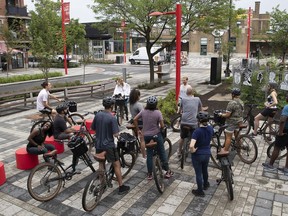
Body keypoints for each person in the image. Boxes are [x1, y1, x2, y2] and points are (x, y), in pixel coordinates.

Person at [91, 97, 130, 195]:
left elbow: (93, 128)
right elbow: (116, 134)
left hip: (98, 144)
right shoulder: (112, 117)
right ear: (112, 106)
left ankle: (102, 183)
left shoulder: (98, 114)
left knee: (101, 164)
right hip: (108, 145)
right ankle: (121, 186)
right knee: (116, 164)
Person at [133, 96, 174, 180]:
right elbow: (162, 126)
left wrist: (138, 130)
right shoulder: (158, 113)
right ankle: (167, 171)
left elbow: (135, 119)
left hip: (146, 136)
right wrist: (161, 127)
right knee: (162, 152)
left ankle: (149, 174)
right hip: (156, 135)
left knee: (149, 155)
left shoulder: (143, 111)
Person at [190, 111, 214, 196]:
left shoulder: (197, 131)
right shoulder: (211, 128)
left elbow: (191, 145)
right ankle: (206, 184)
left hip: (198, 155)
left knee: (198, 173)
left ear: (199, 121)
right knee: (205, 170)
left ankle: (200, 191)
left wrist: (193, 151)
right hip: (207, 153)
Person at [262, 94, 288, 172]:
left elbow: (282, 120)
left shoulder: (287, 107)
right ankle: (286, 168)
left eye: (287, 96)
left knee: (277, 148)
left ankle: (270, 164)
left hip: (285, 131)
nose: (286, 97)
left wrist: (280, 132)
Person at [177, 86, 204, 157]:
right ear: (192, 93)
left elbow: (180, 110)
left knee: (182, 137)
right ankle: (193, 151)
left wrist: (180, 112)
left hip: (184, 122)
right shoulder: (197, 99)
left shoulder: (183, 99)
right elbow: (201, 109)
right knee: (194, 138)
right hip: (193, 122)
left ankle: (179, 151)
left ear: (186, 93)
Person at [218, 88, 244, 155]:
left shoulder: (231, 103)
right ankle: (239, 149)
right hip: (240, 121)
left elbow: (227, 115)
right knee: (237, 136)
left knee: (228, 137)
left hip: (232, 122)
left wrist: (221, 115)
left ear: (232, 95)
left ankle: (225, 150)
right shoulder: (241, 102)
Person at [129, 88, 146, 160]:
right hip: (140, 123)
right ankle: (144, 156)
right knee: (142, 140)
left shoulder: (130, 104)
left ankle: (136, 150)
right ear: (137, 96)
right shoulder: (138, 105)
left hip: (133, 123)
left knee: (135, 137)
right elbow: (143, 114)